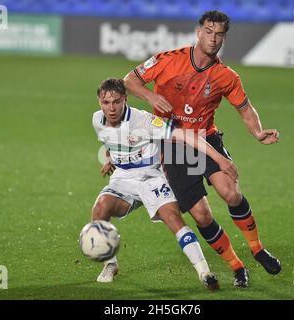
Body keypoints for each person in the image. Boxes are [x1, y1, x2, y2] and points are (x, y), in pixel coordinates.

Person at [124, 10, 282, 287]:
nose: (213, 38)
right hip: (173, 144)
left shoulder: (226, 76)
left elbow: (245, 109)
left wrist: (258, 132)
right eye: (208, 32)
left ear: (224, 38)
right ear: (199, 32)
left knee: (231, 192)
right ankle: (237, 266)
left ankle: (257, 249)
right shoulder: (167, 60)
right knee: (202, 214)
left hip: (206, 139)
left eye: (219, 34)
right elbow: (129, 80)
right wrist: (151, 95)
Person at [90, 78, 240, 289]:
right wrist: (109, 159)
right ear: (99, 102)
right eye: (106, 103)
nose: (111, 108)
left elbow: (187, 136)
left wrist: (220, 159)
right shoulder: (97, 120)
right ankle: (110, 264)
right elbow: (111, 140)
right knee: (100, 209)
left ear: (125, 99)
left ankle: (204, 273)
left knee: (172, 218)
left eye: (116, 101)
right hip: (124, 178)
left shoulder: (144, 121)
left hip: (152, 177)